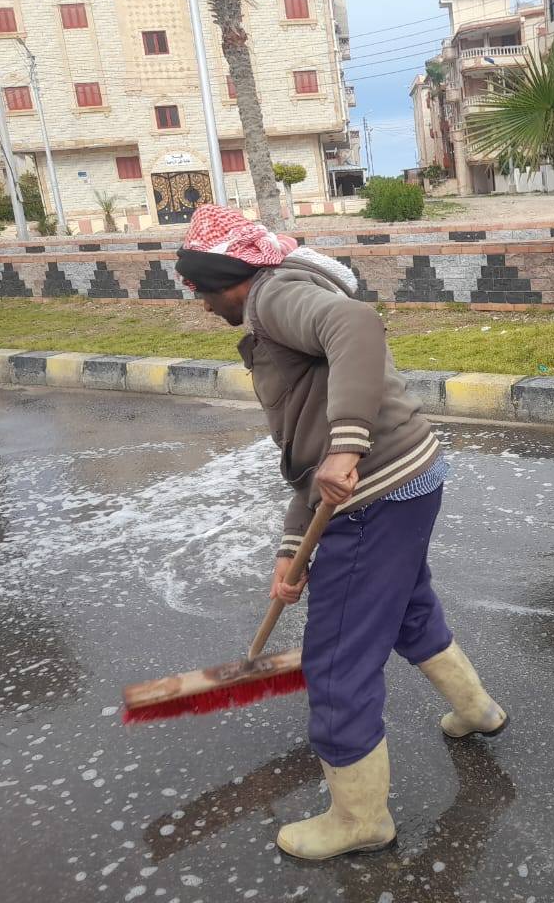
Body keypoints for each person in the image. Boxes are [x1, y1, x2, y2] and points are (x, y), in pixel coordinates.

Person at [175, 205, 507, 861]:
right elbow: (310, 450)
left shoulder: (275, 299)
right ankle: (476, 712)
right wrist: (290, 551)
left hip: (376, 493)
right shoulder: (278, 299)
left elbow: (356, 326)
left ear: (232, 277)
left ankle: (361, 820)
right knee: (408, 610)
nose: (198, 300)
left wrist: (349, 445)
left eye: (201, 287)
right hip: (409, 478)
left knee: (337, 660)